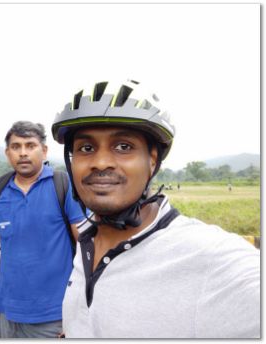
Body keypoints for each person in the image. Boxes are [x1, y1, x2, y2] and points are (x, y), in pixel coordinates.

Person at [51, 80, 260, 338]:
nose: (101, 161)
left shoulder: (209, 257)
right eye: (86, 148)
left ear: (152, 160)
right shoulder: (85, 238)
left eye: (123, 146)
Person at [0, 121, 85, 338]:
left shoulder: (63, 185)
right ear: (7, 153)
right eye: (16, 147)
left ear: (44, 150)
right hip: (7, 311)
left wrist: (82, 304)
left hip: (54, 313)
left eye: (30, 145)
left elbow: (85, 242)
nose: (23, 153)